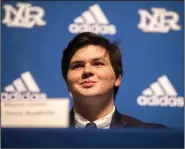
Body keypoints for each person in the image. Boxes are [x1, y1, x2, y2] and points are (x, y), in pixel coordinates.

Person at [61, 32, 166, 129]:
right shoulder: (46, 134)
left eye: (98, 64)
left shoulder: (153, 136)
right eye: (78, 66)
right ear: (67, 82)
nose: (87, 71)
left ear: (117, 78)